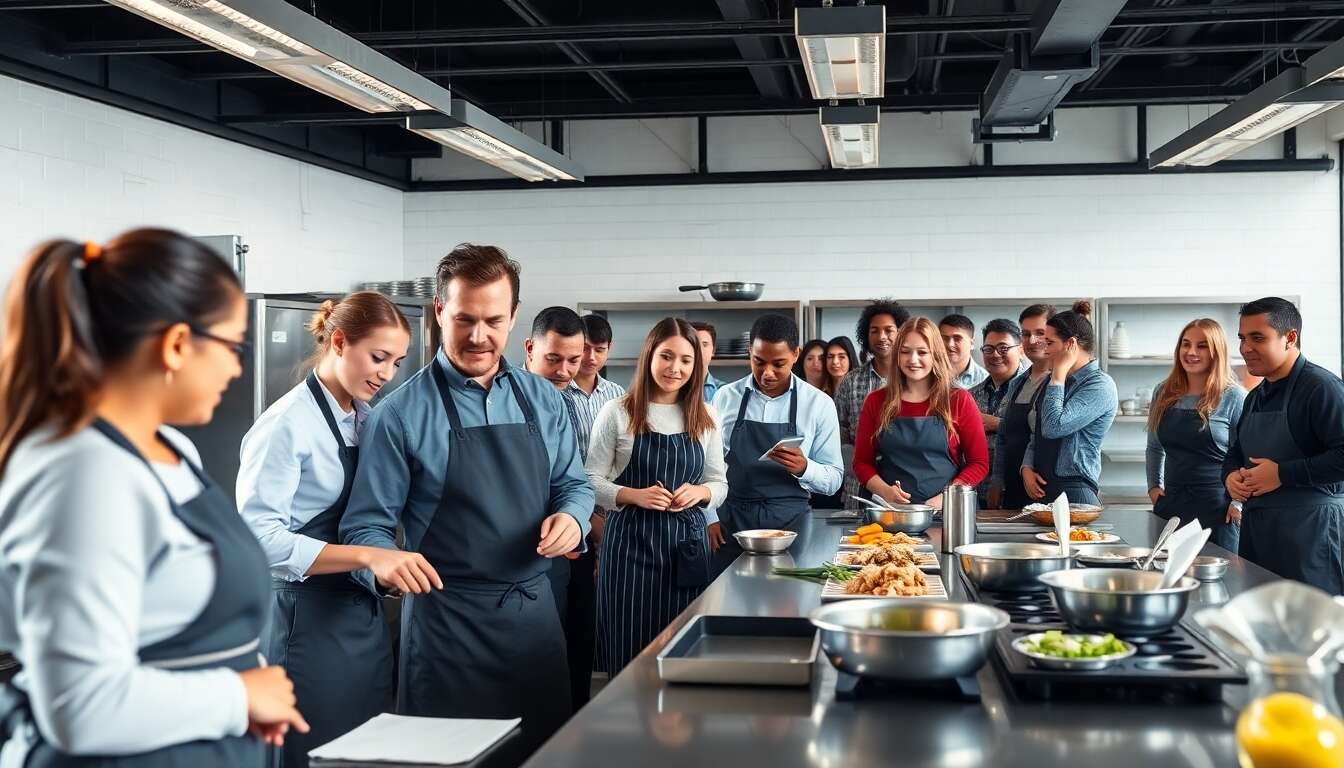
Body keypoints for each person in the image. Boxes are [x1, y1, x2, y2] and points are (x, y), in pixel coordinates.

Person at [0, 229, 307, 765]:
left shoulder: (172, 449)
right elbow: (81, 704)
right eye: (232, 347)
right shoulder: (84, 474)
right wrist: (239, 696)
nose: (237, 368)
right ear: (177, 344)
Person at [339, 244, 594, 755]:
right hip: (447, 631)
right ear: (439, 311)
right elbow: (364, 528)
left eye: (494, 321)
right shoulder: (400, 414)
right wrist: (384, 567)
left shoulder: (543, 399)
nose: (479, 336)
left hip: (534, 621)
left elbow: (574, 484)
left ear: (514, 317)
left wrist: (574, 518)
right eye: (464, 319)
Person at [237, 292, 440, 768]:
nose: (387, 374)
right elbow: (257, 539)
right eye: (378, 357)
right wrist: (369, 556)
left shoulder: (366, 418)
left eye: (396, 361)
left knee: (366, 749)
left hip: (360, 620)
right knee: (313, 754)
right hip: (304, 622)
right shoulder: (286, 425)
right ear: (340, 341)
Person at [586, 318, 728, 674]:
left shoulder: (707, 415)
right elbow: (588, 480)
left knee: (684, 652)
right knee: (627, 650)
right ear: (649, 355)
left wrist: (700, 492)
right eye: (666, 356)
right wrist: (633, 494)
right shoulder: (618, 412)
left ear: (696, 366)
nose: (674, 368)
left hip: (687, 548)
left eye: (685, 360)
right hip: (629, 548)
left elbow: (720, 483)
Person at [1225, 297, 1344, 595]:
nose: (1245, 348)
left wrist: (1282, 474)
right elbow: (1235, 453)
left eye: (1257, 338)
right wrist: (1229, 478)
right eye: (1242, 338)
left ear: (1290, 338)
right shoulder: (1254, 396)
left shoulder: (1322, 388)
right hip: (1259, 534)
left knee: (1310, 630)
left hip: (1310, 538)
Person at [709, 315, 843, 572]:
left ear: (796, 354)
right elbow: (707, 466)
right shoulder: (725, 397)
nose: (767, 373)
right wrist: (709, 517)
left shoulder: (818, 403)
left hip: (790, 526)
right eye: (758, 362)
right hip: (730, 524)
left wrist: (805, 468)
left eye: (778, 364)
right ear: (749, 352)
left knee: (786, 602)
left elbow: (834, 478)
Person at [522, 306, 598, 710]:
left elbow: (576, 480)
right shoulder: (505, 396)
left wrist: (575, 517)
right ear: (530, 348)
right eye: (553, 359)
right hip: (515, 554)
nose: (565, 371)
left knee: (573, 641)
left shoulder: (562, 402)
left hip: (565, 546)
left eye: (574, 360)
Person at [556, 312, 626, 708]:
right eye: (584, 350)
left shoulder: (617, 396)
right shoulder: (555, 390)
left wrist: (605, 523)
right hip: (568, 514)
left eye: (599, 351)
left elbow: (616, 466)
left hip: (608, 513)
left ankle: (584, 701)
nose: (589, 359)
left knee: (592, 617)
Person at [854, 317, 989, 507]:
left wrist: (946, 498)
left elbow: (979, 463)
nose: (913, 360)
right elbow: (861, 463)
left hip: (947, 514)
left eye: (922, 352)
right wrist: (885, 491)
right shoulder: (876, 401)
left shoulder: (959, 400)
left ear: (935, 355)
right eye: (905, 352)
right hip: (891, 512)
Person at [1146, 319, 1245, 554]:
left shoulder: (1234, 396)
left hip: (1218, 509)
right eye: (1186, 344)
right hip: (1171, 507)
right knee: (1167, 575)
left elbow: (1246, 455)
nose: (1191, 352)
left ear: (1216, 352)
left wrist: (1238, 503)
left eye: (1202, 346)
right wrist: (1153, 488)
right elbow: (1153, 447)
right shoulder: (1163, 391)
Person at [1021, 301, 1118, 507]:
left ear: (1071, 344)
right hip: (1041, 490)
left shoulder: (1100, 385)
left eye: (1049, 342)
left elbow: (1054, 427)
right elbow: (1036, 429)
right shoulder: (1052, 380)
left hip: (1076, 492)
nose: (1044, 349)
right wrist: (1026, 467)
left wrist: (1058, 376)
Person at [835, 300, 911, 510]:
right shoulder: (851, 380)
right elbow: (838, 434)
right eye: (874, 331)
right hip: (859, 485)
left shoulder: (914, 378)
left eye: (889, 330)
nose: (882, 337)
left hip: (905, 483)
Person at [989, 304, 1056, 509]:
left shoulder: (1060, 384)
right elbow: (1004, 437)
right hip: (1013, 486)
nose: (1032, 340)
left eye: (1040, 333)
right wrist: (997, 481)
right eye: (1026, 334)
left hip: (1044, 486)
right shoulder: (1018, 382)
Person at [969, 318, 1026, 507]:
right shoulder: (970, 396)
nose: (995, 355)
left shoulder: (1034, 389)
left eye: (1003, 348)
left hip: (1021, 489)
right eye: (988, 349)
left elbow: (1041, 433)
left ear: (1021, 350)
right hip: (976, 492)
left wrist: (998, 424)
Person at [939, 314, 989, 389]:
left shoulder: (985, 380)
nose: (950, 344)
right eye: (945, 338)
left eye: (957, 338)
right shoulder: (926, 374)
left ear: (972, 343)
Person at [690, 321, 725, 403]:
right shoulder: (672, 388)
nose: (699, 350)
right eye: (693, 344)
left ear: (713, 350)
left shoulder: (724, 391)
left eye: (705, 344)